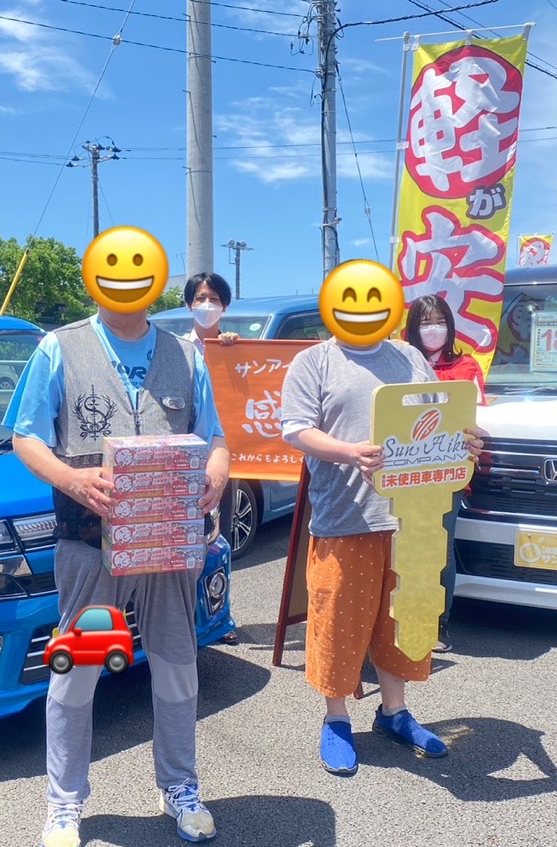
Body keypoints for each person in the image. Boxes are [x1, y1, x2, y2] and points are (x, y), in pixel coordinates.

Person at [4, 291, 230, 847]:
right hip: (88, 538)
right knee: (78, 670)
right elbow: (25, 436)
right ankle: (64, 800)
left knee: (178, 666)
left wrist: (217, 477)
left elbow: (217, 437)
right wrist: (73, 481)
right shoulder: (61, 347)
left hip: (169, 539)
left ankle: (179, 786)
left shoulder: (186, 354)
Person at [280, 310, 482, 777]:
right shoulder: (315, 361)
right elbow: (295, 428)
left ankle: (394, 712)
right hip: (344, 514)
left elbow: (441, 415)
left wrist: (463, 442)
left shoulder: (409, 355)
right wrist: (350, 452)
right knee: (338, 618)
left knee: (401, 616)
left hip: (410, 514)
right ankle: (336, 720)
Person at [404, 294, 486, 654]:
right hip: (402, 471)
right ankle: (399, 618)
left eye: (439, 321)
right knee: (400, 546)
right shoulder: (397, 362)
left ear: (450, 326)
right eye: (425, 322)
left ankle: (437, 622)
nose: (432, 329)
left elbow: (478, 419)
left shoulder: (466, 366)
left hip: (447, 473)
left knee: (439, 546)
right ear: (412, 328)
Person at [182, 271, 241, 643]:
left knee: (222, 541)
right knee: (190, 543)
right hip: (188, 462)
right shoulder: (177, 350)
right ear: (189, 304)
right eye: (201, 298)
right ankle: (187, 618)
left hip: (226, 459)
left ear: (225, 306)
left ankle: (221, 617)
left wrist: (234, 349)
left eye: (215, 299)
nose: (208, 305)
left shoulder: (234, 348)